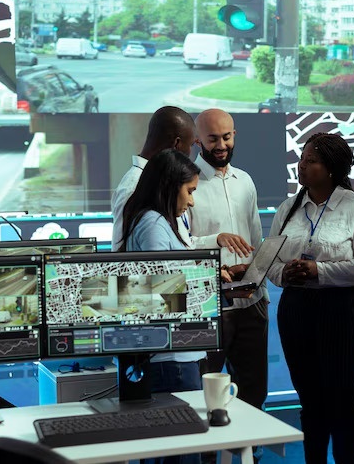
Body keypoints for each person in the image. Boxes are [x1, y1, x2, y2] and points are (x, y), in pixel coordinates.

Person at [266, 133, 354, 464]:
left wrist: (319, 271)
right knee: (309, 400)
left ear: (331, 168)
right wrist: (286, 274)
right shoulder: (288, 208)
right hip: (296, 309)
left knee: (340, 400)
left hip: (342, 310)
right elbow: (268, 262)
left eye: (311, 161)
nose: (301, 165)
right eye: (302, 159)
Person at [120, 148, 203, 464]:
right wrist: (209, 285)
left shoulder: (155, 220)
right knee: (182, 453)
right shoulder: (154, 223)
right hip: (171, 359)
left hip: (171, 354)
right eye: (189, 191)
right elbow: (161, 294)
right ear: (170, 185)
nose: (192, 201)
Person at [187, 109, 266, 421]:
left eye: (226, 137)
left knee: (254, 393)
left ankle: (250, 447)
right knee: (205, 399)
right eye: (213, 139)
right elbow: (181, 244)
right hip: (210, 306)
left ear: (235, 136)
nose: (221, 145)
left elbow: (256, 239)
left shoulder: (245, 181)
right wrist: (215, 240)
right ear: (197, 140)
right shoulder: (187, 183)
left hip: (252, 305)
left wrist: (262, 291)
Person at [111, 106, 196, 252]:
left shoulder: (163, 183)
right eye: (191, 145)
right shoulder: (134, 187)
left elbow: (180, 243)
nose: (191, 201)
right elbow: (122, 254)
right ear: (176, 144)